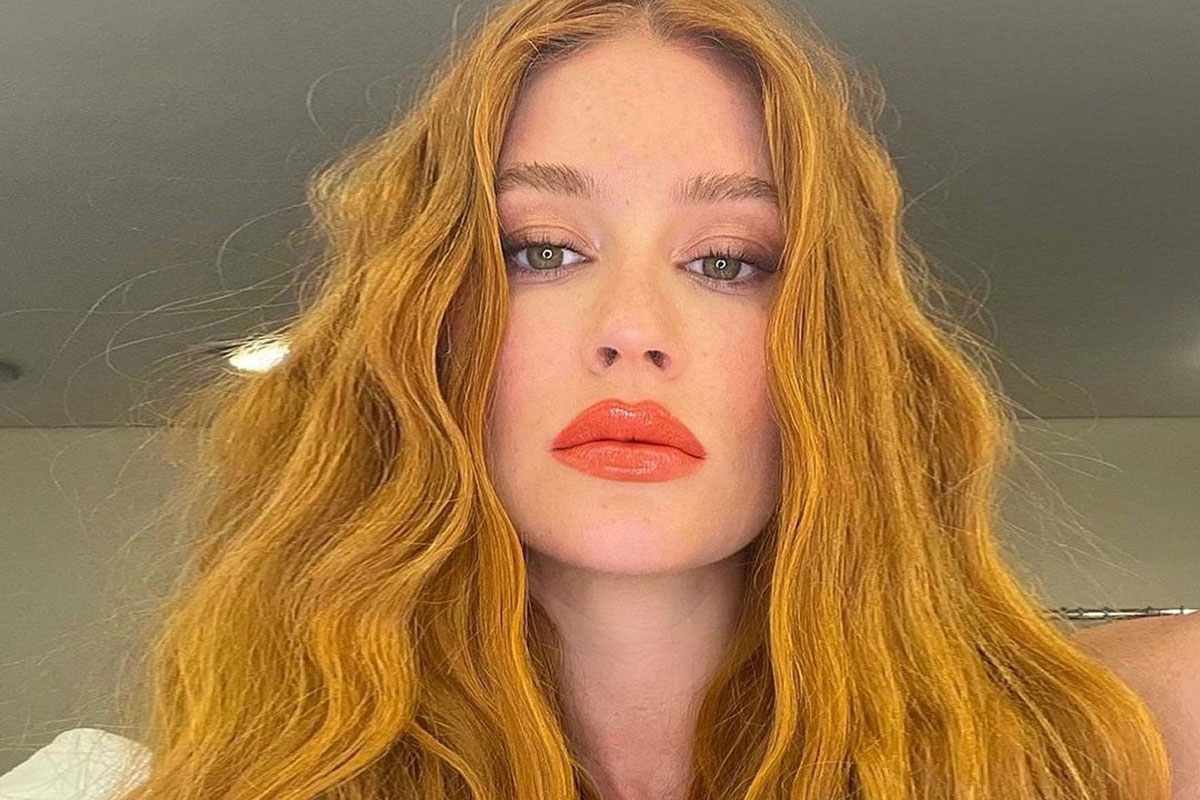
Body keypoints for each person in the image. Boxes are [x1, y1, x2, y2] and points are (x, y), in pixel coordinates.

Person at [3, 0, 1195, 798]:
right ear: (425, 329)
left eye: (728, 259)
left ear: (836, 351)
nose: (632, 329)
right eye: (539, 250)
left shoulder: (1137, 737)